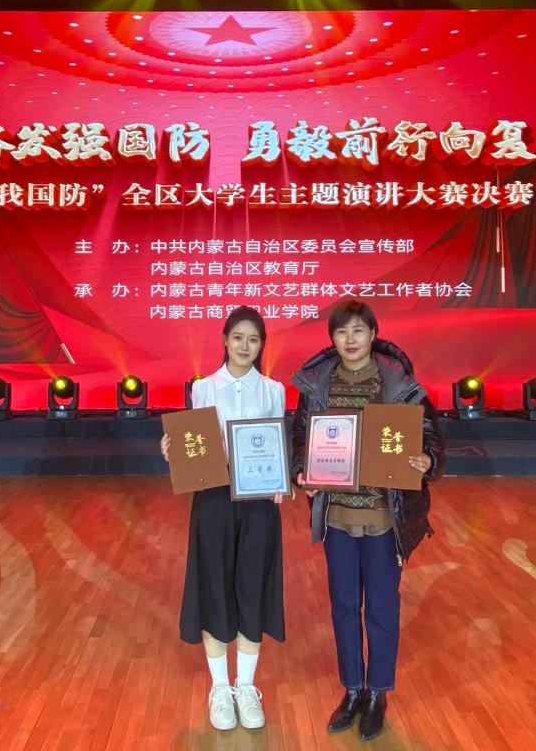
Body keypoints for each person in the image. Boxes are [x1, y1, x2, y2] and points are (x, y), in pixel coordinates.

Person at [290, 300, 445, 742]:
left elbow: (432, 440)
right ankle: (352, 689)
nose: (350, 339)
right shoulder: (318, 385)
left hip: (384, 518)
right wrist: (301, 471)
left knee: (380, 607)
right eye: (342, 332)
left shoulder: (400, 385)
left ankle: (378, 692)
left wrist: (426, 459)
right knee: (343, 606)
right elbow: (300, 437)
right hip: (337, 515)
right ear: (332, 339)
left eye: (358, 330)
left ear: (373, 334)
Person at [160, 306, 293, 732]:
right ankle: (220, 688)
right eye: (238, 337)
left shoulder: (273, 390)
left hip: (258, 500)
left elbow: (279, 442)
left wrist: (282, 477)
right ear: (224, 340)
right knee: (214, 586)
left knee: (252, 587)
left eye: (253, 339)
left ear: (261, 344)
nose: (245, 346)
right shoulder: (203, 388)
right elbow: (193, 443)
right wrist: (173, 450)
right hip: (214, 499)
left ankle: (245, 686)